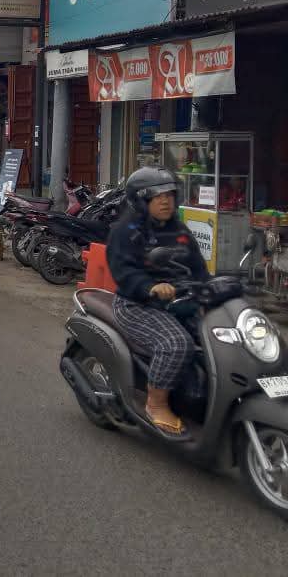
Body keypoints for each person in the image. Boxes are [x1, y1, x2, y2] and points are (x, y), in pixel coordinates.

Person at [107, 167, 211, 438]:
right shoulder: (125, 232)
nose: (166, 201)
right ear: (141, 200)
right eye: (157, 196)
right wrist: (150, 286)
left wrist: (212, 288)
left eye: (170, 195)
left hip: (180, 302)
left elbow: (198, 268)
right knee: (176, 343)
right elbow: (124, 273)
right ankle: (156, 404)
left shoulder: (180, 231)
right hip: (136, 304)